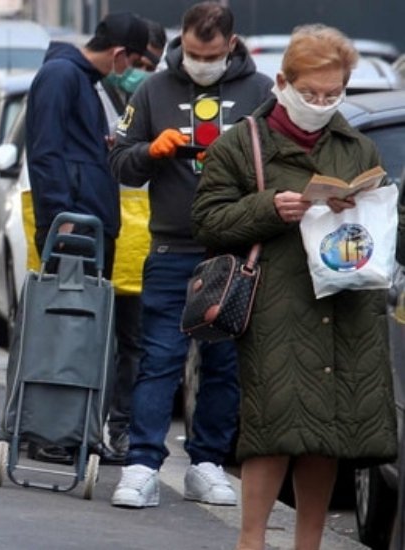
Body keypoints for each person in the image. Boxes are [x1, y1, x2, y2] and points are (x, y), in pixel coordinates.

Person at [192, 24, 401, 550]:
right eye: (310, 93)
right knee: (272, 429)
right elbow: (208, 220)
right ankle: (251, 541)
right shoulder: (244, 143)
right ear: (282, 82)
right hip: (277, 305)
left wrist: (367, 208)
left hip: (344, 302)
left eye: (333, 94)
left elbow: (379, 222)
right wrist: (270, 207)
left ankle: (308, 543)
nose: (321, 103)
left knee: (326, 434)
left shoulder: (355, 145)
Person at [108, 1, 272, 509]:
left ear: (231, 44)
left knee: (223, 363)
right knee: (160, 359)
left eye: (212, 54)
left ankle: (207, 463)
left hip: (232, 250)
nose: (201, 62)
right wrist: (148, 151)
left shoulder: (260, 91)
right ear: (182, 40)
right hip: (171, 245)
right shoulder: (153, 89)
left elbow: (280, 161)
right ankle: (141, 465)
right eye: (194, 53)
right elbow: (119, 161)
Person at [0, 11, 150, 453]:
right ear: (120, 54)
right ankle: (37, 427)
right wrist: (61, 215)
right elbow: (46, 151)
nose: (131, 72)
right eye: (135, 62)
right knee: (56, 326)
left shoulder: (81, 81)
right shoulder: (61, 76)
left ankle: (60, 427)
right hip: (75, 225)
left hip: (86, 223)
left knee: (78, 329)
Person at [97, 17, 167, 466]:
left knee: (135, 345)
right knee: (95, 341)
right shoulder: (98, 90)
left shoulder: (160, 100)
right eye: (138, 60)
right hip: (104, 230)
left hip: (143, 242)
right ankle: (85, 425)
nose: (141, 68)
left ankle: (120, 430)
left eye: (151, 63)